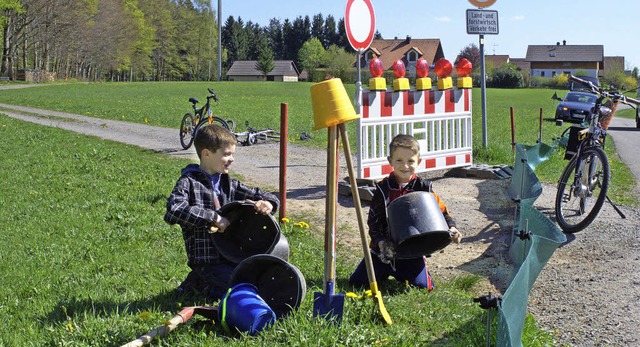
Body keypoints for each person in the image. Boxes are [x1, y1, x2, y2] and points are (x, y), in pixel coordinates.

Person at [164, 124, 279, 300]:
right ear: (206, 154)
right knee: (237, 292)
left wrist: (268, 203)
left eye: (232, 154)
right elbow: (174, 210)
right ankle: (199, 282)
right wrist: (214, 217)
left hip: (232, 258)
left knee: (262, 282)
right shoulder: (189, 182)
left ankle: (198, 283)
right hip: (207, 262)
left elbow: (265, 195)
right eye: (226, 154)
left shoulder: (229, 184)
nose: (231, 159)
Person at [349, 134, 461, 291]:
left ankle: (413, 273)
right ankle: (382, 271)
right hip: (383, 252)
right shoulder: (383, 189)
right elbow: (374, 221)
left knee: (423, 287)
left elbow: (442, 213)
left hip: (412, 250)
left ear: (419, 161)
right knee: (357, 282)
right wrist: (381, 243)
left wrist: (452, 228)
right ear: (390, 161)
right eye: (399, 160)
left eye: (410, 161)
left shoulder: (424, 188)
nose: (405, 166)